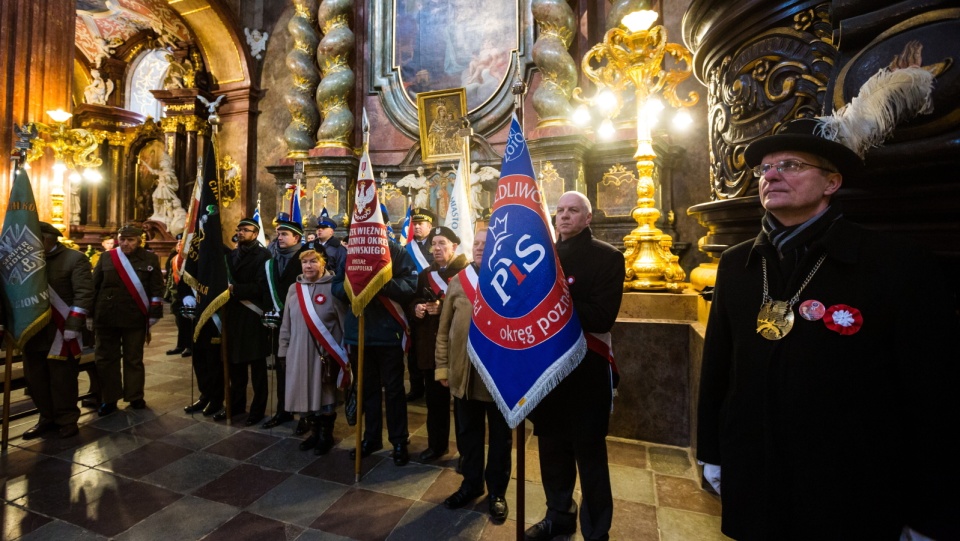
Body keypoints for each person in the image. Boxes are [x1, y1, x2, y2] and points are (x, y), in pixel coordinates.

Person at [697, 118, 960, 541]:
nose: (771, 175)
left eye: (790, 165)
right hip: (756, 474)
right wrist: (711, 452)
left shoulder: (894, 264)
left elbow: (932, 395)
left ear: (832, 183)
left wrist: (932, 511)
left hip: (847, 487)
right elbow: (718, 369)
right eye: (763, 169)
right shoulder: (736, 263)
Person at [525, 191, 625, 541]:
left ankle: (597, 530)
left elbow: (602, 317)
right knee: (552, 452)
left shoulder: (607, 258)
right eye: (560, 211)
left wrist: (555, 303)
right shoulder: (541, 258)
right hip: (547, 372)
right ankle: (559, 515)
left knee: (590, 458)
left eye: (573, 211)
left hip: (586, 372)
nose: (564, 216)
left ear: (588, 217)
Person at [435, 229, 511, 522]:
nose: (480, 248)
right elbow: (443, 330)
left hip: (498, 376)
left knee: (501, 439)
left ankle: (497, 492)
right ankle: (471, 484)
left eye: (486, 244)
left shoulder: (511, 280)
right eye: (476, 244)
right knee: (467, 434)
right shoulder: (459, 281)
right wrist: (443, 367)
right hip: (464, 373)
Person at [332, 238, 418, 466]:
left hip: (388, 333)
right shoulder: (353, 250)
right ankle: (371, 437)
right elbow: (337, 286)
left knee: (393, 390)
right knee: (367, 389)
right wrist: (356, 286)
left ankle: (399, 440)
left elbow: (410, 284)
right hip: (358, 332)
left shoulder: (395, 251)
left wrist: (379, 282)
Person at [21, 222, 94, 439]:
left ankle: (67, 419)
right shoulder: (27, 262)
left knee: (62, 380)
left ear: (51, 238)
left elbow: (83, 294)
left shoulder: (74, 259)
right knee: (36, 380)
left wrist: (73, 325)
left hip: (61, 333)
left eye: (38, 238)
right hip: (33, 331)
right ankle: (46, 418)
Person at [277, 249, 349, 455]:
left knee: (324, 396)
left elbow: (343, 323)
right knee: (305, 394)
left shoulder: (333, 288)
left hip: (324, 354)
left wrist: (346, 355)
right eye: (305, 262)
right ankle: (314, 433)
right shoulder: (294, 288)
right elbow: (286, 324)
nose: (308, 266)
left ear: (323, 264)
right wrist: (283, 351)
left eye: (313, 262)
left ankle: (326, 436)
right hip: (298, 352)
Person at [408, 226, 469, 462]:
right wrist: (417, 308)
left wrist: (443, 308)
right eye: (434, 244)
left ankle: (467, 453)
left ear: (454, 246)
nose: (436, 248)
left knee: (465, 409)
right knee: (435, 403)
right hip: (432, 349)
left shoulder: (467, 272)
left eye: (442, 243)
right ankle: (437, 445)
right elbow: (414, 298)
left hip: (459, 349)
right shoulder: (426, 274)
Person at [91, 224, 164, 416]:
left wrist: (155, 313)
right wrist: (90, 315)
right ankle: (109, 398)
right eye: (122, 239)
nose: (125, 243)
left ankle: (134, 396)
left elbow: (156, 288)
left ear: (139, 240)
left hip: (134, 316)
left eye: (130, 240)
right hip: (107, 316)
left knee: (133, 358)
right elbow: (94, 286)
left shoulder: (150, 258)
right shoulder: (107, 257)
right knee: (106, 359)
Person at [216, 217, 271, 425]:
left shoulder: (263, 255)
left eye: (245, 230)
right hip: (233, 317)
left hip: (252, 317)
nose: (240, 233)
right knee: (235, 365)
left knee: (257, 368)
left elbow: (261, 287)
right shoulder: (232, 255)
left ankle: (257, 410)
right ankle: (236, 406)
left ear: (255, 234)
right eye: (238, 229)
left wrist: (235, 290)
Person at [261, 219, 306, 431]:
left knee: (303, 369)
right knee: (281, 367)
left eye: (284, 234)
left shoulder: (306, 258)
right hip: (280, 323)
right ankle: (283, 410)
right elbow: (267, 287)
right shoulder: (272, 259)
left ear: (296, 238)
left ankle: (306, 414)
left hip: (302, 323)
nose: (279, 237)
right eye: (278, 234)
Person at [404, 206, 435, 402]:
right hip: (412, 300)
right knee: (413, 347)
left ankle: (433, 384)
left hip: (433, 300)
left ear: (430, 226)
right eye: (414, 224)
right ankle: (416, 386)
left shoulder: (438, 245)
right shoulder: (407, 248)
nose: (416, 227)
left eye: (420, 224)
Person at [164, 236, 192, 358]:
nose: (179, 245)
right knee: (179, 321)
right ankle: (181, 345)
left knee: (187, 321)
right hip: (175, 294)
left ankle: (189, 346)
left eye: (182, 243)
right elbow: (170, 277)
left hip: (187, 295)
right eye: (178, 243)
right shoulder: (173, 258)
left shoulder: (190, 259)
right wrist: (168, 294)